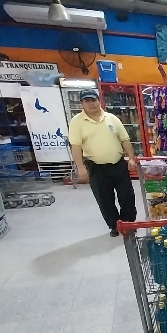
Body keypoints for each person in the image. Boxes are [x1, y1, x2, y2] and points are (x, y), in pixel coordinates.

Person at [68, 88, 137, 236]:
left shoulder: (111, 118)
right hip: (96, 167)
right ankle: (114, 225)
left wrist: (131, 158)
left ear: (99, 101)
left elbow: (125, 140)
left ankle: (128, 224)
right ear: (82, 103)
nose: (91, 103)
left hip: (118, 164)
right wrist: (80, 168)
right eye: (87, 101)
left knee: (127, 196)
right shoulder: (77, 122)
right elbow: (76, 147)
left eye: (93, 100)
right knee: (104, 199)